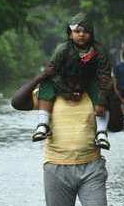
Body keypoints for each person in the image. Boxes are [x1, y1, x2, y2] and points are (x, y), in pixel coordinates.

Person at [11, 76, 123, 206]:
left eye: (80, 80)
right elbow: (17, 102)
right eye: (71, 80)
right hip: (56, 167)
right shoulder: (48, 95)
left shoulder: (96, 94)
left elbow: (117, 126)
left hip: (91, 167)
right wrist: (40, 78)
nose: (76, 86)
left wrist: (113, 94)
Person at [30, 13, 113, 150]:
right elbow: (52, 71)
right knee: (46, 82)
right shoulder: (62, 49)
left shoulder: (99, 50)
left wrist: (102, 101)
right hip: (63, 81)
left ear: (91, 34)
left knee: (106, 89)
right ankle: (42, 125)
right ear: (70, 34)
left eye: (85, 31)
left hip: (89, 81)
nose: (81, 35)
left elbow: (105, 75)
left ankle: (102, 133)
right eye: (77, 31)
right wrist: (66, 91)